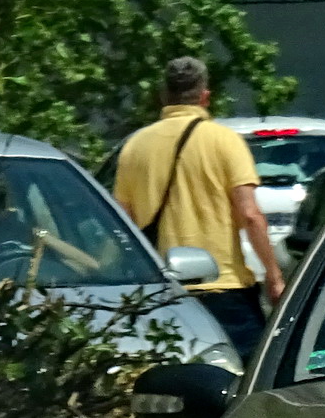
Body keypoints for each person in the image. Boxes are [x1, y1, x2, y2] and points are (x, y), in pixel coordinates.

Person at [114, 57, 283, 360]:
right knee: (245, 377)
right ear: (205, 96)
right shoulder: (225, 141)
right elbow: (250, 215)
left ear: (163, 96)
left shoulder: (134, 147)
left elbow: (122, 224)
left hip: (163, 294)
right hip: (224, 289)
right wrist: (274, 276)